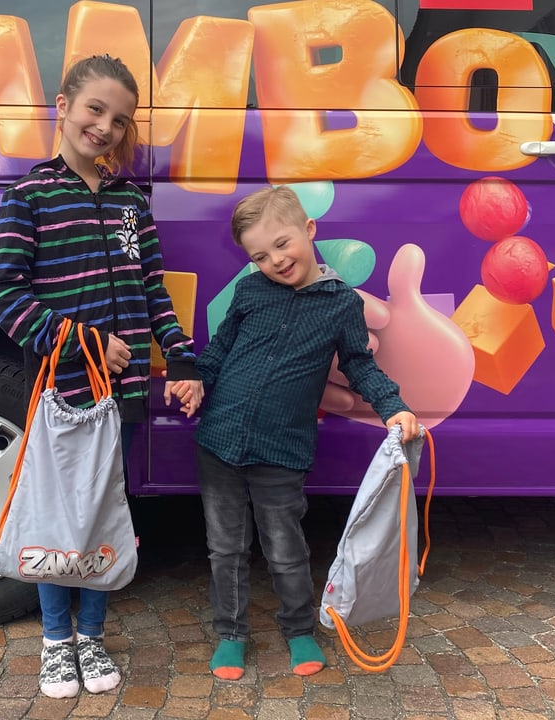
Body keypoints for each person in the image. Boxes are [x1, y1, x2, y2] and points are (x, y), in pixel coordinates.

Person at [0, 54, 204, 699]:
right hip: (64, 394)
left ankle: (92, 635)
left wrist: (180, 357)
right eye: (95, 110)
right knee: (60, 518)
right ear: (63, 107)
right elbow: (5, 297)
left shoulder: (132, 202)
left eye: (119, 119)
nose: (105, 126)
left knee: (107, 512)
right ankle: (56, 641)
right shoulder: (27, 196)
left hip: (127, 393)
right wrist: (81, 343)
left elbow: (152, 290)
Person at [173, 185, 419, 681]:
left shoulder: (340, 304)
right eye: (260, 256)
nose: (276, 261)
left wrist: (393, 406)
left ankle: (299, 627)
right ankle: (231, 633)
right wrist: (197, 378)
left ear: (309, 231)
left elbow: (358, 364)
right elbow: (220, 350)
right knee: (226, 548)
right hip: (219, 441)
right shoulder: (249, 292)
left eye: (282, 245)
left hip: (283, 451)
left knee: (285, 548)